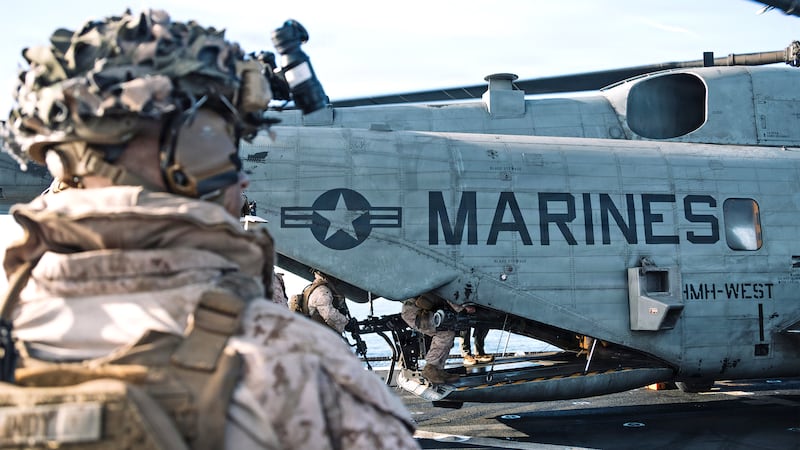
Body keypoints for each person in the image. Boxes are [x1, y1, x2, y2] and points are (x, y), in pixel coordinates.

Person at [0, 9, 418, 450]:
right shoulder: (298, 370)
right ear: (193, 156)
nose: (241, 179)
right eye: (226, 147)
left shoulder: (17, 334)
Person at [400, 293, 474, 384]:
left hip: (415, 308)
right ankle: (430, 369)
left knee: (447, 332)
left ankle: (438, 371)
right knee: (445, 333)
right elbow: (448, 294)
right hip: (415, 312)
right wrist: (463, 308)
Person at [290, 270, 354, 334]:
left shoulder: (315, 288)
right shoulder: (322, 291)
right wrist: (346, 323)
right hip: (317, 334)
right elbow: (329, 314)